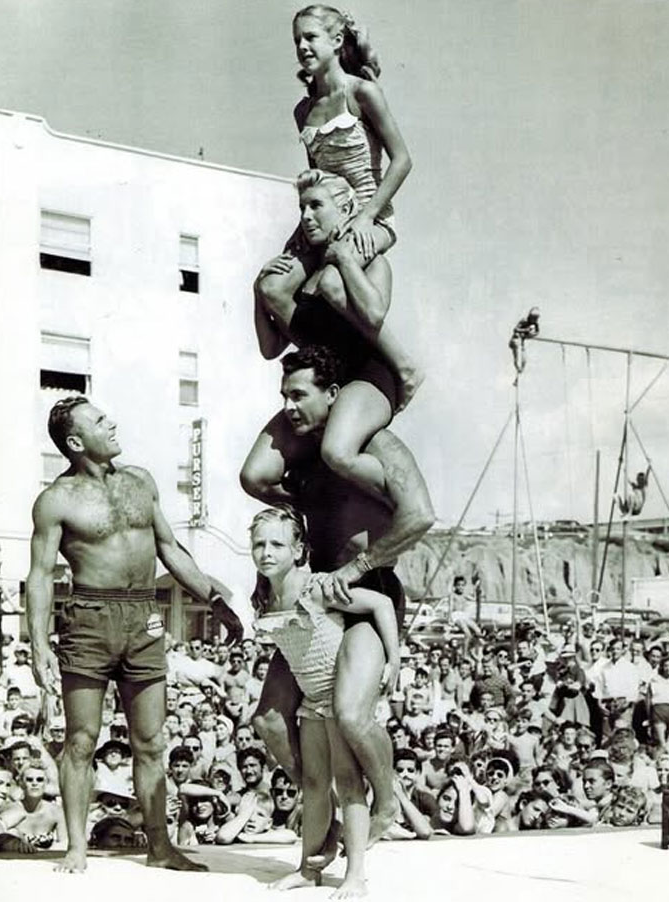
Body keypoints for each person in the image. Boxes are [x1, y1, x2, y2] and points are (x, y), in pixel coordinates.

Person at [25, 396, 240, 872]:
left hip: (144, 616)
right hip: (89, 618)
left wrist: (216, 599)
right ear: (77, 442)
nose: (113, 421)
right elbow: (40, 575)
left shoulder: (140, 481)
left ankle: (160, 847)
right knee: (81, 739)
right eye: (101, 420)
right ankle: (77, 847)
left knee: (151, 741)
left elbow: (170, 548)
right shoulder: (56, 500)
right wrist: (39, 645)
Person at [243, 344, 434, 852]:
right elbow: (254, 478)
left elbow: (420, 516)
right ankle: (322, 808)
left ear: (335, 395)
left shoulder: (378, 445)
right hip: (317, 603)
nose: (288, 406)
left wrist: (358, 567)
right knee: (268, 719)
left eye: (299, 395)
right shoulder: (304, 459)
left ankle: (388, 802)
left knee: (350, 715)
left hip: (369, 591)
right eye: (283, 395)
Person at [255, 5, 419, 411]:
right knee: (272, 286)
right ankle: (329, 364)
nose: (302, 46)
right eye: (297, 40)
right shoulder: (303, 111)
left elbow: (402, 160)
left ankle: (402, 366)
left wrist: (365, 216)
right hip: (329, 215)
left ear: (336, 41)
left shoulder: (361, 93)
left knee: (331, 283)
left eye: (310, 37)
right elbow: (318, 179)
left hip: (370, 215)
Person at [250, 505, 400, 896]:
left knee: (349, 783)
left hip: (340, 686)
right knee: (314, 785)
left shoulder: (314, 586)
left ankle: (356, 874)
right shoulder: (266, 594)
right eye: (259, 544)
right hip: (312, 696)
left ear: (299, 550)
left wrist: (394, 658)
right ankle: (308, 868)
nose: (266, 552)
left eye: (277, 545)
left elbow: (379, 604)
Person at [254, 168, 403, 505]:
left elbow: (375, 313)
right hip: (322, 386)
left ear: (347, 210)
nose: (306, 217)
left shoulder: (372, 264)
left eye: (316, 205)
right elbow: (270, 347)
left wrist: (345, 260)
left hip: (367, 378)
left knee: (337, 452)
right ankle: (316, 509)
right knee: (255, 475)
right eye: (302, 208)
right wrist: (257, 291)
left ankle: (396, 500)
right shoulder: (304, 278)